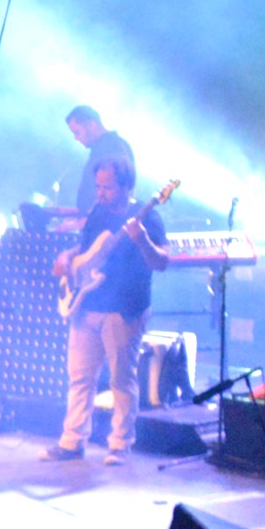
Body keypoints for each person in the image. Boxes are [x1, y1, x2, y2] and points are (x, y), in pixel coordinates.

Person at [49, 157, 169, 460]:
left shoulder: (149, 219)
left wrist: (141, 241)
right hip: (87, 303)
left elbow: (162, 262)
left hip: (124, 308)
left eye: (108, 187)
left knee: (121, 380)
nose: (101, 193)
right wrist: (67, 257)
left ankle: (120, 444)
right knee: (79, 377)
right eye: (98, 186)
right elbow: (85, 248)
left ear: (126, 186)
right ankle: (72, 440)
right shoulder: (98, 212)